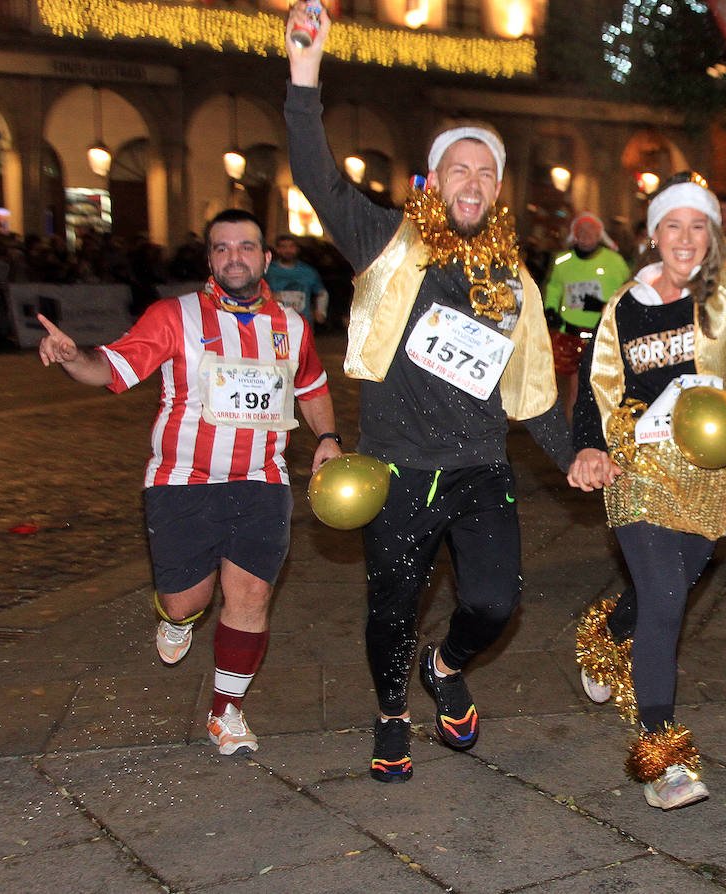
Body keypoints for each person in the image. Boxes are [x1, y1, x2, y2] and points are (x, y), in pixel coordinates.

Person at [284, 3, 574, 783]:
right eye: (460, 168)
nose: (472, 183)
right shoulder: (387, 242)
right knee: (391, 609)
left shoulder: (513, 280)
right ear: (435, 179)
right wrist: (304, 74)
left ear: (497, 189)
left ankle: (445, 667)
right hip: (401, 468)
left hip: (481, 467)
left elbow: (534, 391)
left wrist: (580, 455)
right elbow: (315, 172)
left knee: (494, 603)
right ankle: (389, 715)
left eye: (486, 172)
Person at [567, 94, 726, 810]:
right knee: (670, 597)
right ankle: (663, 755)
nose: (685, 237)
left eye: (697, 225)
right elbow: (592, 391)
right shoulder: (623, 307)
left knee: (661, 591)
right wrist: (588, 446)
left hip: (709, 474)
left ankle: (605, 636)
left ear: (711, 234)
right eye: (671, 225)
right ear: (653, 235)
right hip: (638, 467)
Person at [36, 208, 341, 756]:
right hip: (182, 480)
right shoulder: (174, 315)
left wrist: (327, 437)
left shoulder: (290, 326)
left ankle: (227, 712)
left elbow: (312, 386)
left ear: (265, 258)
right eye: (222, 249)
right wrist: (72, 357)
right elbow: (112, 367)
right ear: (209, 260)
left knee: (249, 597)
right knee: (185, 602)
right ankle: (174, 619)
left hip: (262, 480)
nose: (235, 258)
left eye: (246, 247)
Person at [542, 212, 631, 420]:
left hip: (604, 335)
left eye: (591, 231)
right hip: (571, 335)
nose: (585, 235)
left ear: (599, 235)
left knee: (604, 389)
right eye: (581, 231)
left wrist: (602, 306)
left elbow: (627, 291)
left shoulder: (614, 261)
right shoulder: (562, 261)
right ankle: (575, 438)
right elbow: (554, 287)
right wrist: (551, 309)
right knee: (574, 391)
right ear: (574, 234)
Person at [265, 234, 329, 327]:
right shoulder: (268, 271)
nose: (288, 250)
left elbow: (321, 292)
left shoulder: (308, 271)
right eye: (283, 247)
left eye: (291, 246)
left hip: (303, 324)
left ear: (297, 249)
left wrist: (321, 311)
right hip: (275, 323)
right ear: (277, 249)